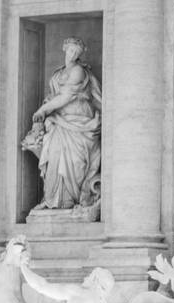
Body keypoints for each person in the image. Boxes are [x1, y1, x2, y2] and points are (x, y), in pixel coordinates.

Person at [22, 37, 102, 211]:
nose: (73, 54)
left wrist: (43, 110)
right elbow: (54, 96)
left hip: (79, 122)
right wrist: (47, 109)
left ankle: (71, 200)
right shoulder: (58, 73)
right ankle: (52, 199)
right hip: (60, 121)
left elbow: (67, 97)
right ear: (65, 49)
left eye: (77, 52)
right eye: (71, 50)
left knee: (75, 161)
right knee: (54, 155)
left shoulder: (79, 71)